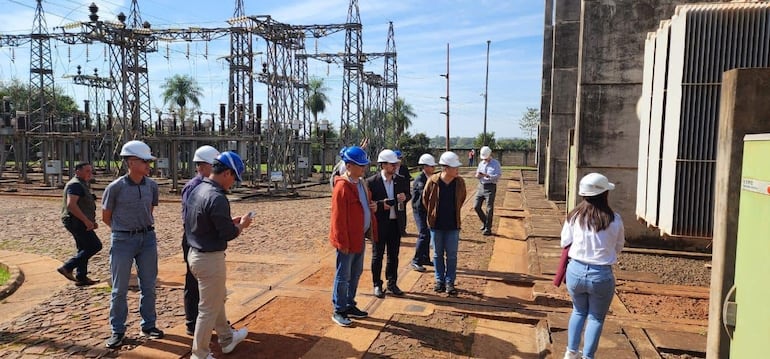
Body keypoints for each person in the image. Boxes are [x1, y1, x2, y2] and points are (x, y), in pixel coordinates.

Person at [184, 151, 252, 359]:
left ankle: (227, 338)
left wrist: (228, 221)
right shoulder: (218, 197)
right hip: (209, 259)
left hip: (194, 253)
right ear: (227, 173)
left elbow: (205, 221)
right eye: (234, 178)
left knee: (216, 299)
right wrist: (241, 226)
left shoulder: (199, 188)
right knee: (208, 309)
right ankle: (200, 354)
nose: (233, 183)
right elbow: (229, 234)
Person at [101, 140, 163, 348]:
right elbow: (106, 216)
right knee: (119, 289)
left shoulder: (152, 186)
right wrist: (123, 231)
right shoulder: (115, 188)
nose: (148, 165)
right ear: (131, 162)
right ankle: (117, 330)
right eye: (145, 161)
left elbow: (149, 211)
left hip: (147, 238)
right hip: (122, 240)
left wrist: (140, 229)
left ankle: (149, 324)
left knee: (149, 285)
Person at [561, 173, 625, 359]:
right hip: (601, 275)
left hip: (575, 272)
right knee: (596, 317)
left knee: (578, 311)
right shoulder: (615, 219)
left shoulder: (574, 216)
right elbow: (619, 246)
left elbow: (565, 241)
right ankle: (588, 357)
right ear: (605, 194)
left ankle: (571, 352)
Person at [329, 146, 378, 327]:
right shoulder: (342, 187)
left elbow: (365, 204)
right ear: (349, 166)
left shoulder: (361, 183)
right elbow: (338, 219)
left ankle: (349, 304)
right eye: (360, 165)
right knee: (343, 275)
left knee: (355, 273)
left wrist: (372, 207)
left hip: (359, 237)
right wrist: (342, 242)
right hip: (347, 240)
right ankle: (339, 309)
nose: (363, 168)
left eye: (364, 165)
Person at [181, 145, 220, 336]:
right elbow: (191, 217)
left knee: (211, 282)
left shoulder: (207, 185)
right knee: (193, 281)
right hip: (193, 238)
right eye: (214, 165)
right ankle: (192, 321)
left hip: (203, 236)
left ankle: (212, 320)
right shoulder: (194, 186)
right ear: (203, 166)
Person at [367, 149, 411, 298]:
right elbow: (368, 203)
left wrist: (405, 197)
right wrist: (381, 205)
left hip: (395, 223)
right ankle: (377, 284)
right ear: (383, 165)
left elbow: (408, 194)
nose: (395, 167)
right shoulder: (372, 182)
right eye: (392, 164)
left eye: (396, 164)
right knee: (377, 255)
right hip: (379, 224)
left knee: (394, 255)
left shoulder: (400, 180)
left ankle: (392, 283)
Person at [422, 151, 466, 295]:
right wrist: (433, 214)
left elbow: (462, 199)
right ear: (446, 168)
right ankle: (439, 280)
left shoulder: (459, 182)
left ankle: (450, 281)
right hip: (436, 225)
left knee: (452, 255)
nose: (457, 170)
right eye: (455, 167)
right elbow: (425, 199)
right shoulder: (433, 181)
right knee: (437, 254)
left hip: (453, 225)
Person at [58, 162, 102, 286]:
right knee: (95, 246)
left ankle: (81, 277)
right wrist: (86, 221)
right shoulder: (75, 185)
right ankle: (68, 267)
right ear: (78, 171)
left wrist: (91, 221)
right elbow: (71, 205)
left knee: (83, 248)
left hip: (77, 220)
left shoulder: (81, 184)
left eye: (91, 171)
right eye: (87, 171)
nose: (90, 174)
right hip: (76, 221)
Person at [410, 153, 437, 272]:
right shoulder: (420, 179)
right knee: (424, 233)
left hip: (427, 210)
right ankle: (416, 260)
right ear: (425, 166)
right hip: (419, 210)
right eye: (431, 166)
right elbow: (423, 196)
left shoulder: (430, 177)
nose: (433, 168)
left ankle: (425, 257)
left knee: (428, 233)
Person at [474, 146, 501, 236]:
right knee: (476, 206)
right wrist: (478, 175)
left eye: (486, 157)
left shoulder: (495, 163)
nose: (485, 159)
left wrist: (488, 175)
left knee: (489, 208)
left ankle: (488, 228)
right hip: (481, 186)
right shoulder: (481, 163)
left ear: (490, 155)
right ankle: (485, 222)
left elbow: (498, 175)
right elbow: (477, 174)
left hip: (490, 187)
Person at [393, 149, 412, 236]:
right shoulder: (391, 168)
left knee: (401, 211)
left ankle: (402, 229)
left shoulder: (404, 169)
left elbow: (407, 182)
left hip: (401, 195)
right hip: (392, 194)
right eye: (397, 158)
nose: (399, 160)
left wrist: (406, 195)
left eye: (400, 158)